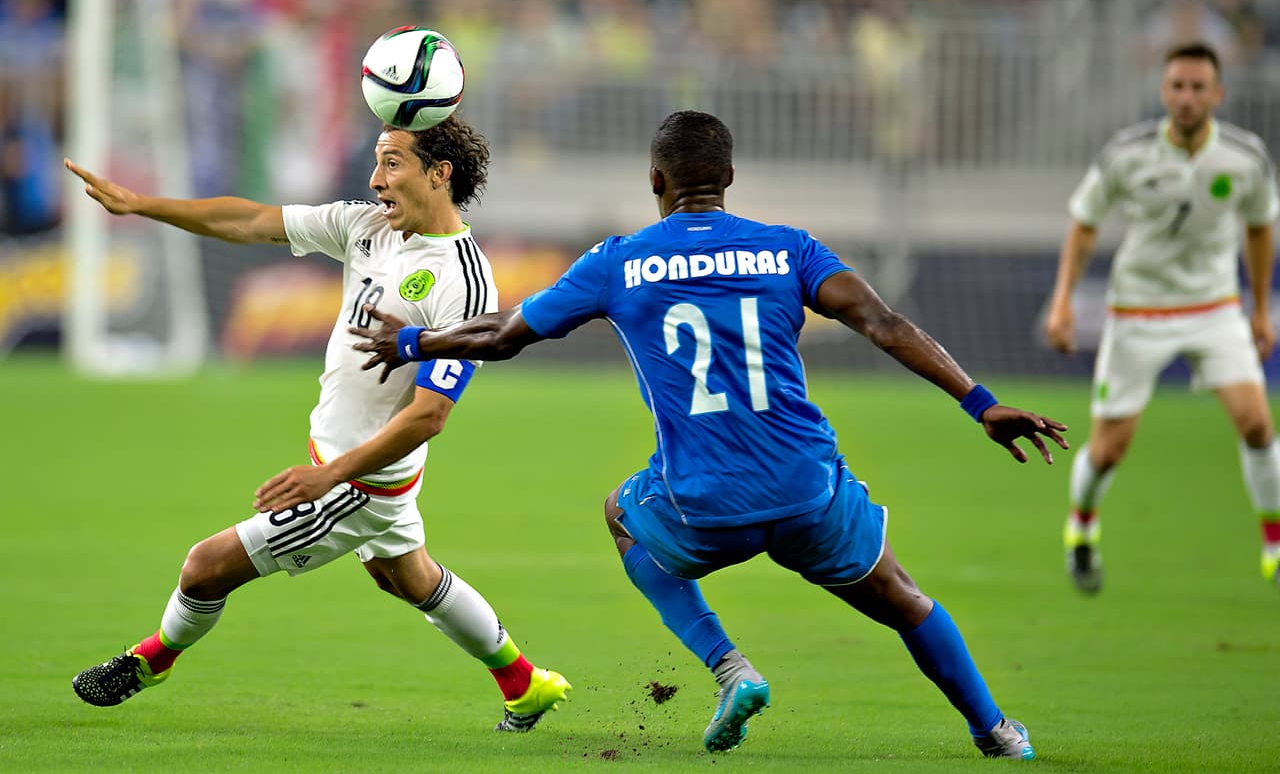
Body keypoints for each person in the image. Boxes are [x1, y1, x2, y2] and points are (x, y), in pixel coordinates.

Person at [350, 109, 1068, 758]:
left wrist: (418, 343)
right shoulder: (789, 249)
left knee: (620, 515)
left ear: (655, 179)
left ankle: (731, 668)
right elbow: (884, 324)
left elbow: (506, 334)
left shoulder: (619, 260)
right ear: (728, 178)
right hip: (806, 492)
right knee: (906, 600)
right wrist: (981, 402)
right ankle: (997, 731)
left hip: (701, 503)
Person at [62, 118, 571, 732]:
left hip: (360, 482)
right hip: (350, 467)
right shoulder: (365, 227)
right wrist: (143, 205)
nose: (374, 179)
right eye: (378, 163)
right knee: (407, 577)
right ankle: (524, 684)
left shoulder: (464, 283)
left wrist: (326, 478)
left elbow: (429, 415)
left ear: (440, 175)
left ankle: (153, 660)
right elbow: (250, 221)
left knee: (204, 567)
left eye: (392, 164)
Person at [1044, 41, 1280, 594]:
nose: (1187, 98)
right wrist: (1062, 302)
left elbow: (1260, 227)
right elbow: (1084, 223)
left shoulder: (1245, 158)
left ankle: (1274, 544)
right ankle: (1081, 526)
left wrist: (1261, 307)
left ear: (1218, 94)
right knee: (1108, 450)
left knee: (1257, 423)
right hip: (1139, 310)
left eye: (1199, 87)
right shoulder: (1128, 154)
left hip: (1215, 307)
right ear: (1163, 91)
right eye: (1178, 86)